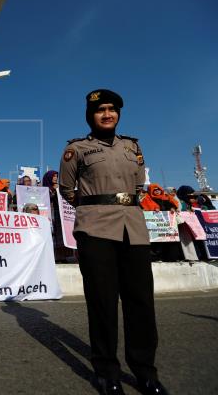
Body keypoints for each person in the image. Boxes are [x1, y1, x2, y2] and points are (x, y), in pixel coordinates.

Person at [59, 89, 168, 395]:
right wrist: (95, 207)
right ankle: (106, 372)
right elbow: (67, 189)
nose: (107, 114)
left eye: (112, 109)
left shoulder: (133, 147)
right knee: (102, 302)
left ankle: (145, 372)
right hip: (95, 230)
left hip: (133, 228)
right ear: (90, 115)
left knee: (141, 302)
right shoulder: (76, 149)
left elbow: (138, 185)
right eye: (100, 110)